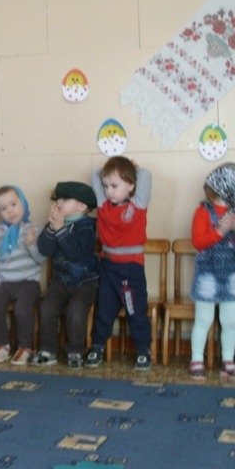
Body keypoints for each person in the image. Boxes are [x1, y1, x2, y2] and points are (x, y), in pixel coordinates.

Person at [187, 163, 235, 382]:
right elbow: (198, 242)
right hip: (207, 275)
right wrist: (221, 230)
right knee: (203, 319)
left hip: (232, 275)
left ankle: (228, 361)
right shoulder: (203, 212)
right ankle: (197, 359)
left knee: (230, 321)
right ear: (229, 189)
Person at [87, 157, 153, 370]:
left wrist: (134, 169)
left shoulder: (138, 204)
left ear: (131, 185)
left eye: (115, 186)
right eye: (106, 186)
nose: (109, 191)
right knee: (104, 309)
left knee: (136, 311)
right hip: (108, 267)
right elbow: (95, 175)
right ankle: (97, 347)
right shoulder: (103, 205)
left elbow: (146, 176)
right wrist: (110, 171)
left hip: (131, 269)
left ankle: (143, 350)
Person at [31, 181, 100, 368]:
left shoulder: (87, 227)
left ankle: (76, 351)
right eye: (57, 199)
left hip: (85, 283)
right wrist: (51, 228)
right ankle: (48, 350)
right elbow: (44, 249)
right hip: (61, 282)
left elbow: (75, 252)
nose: (58, 203)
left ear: (82, 206)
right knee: (47, 308)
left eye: (65, 199)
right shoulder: (56, 223)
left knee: (76, 311)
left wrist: (60, 229)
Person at [0, 185, 46, 366]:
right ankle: (3, 345)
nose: (10, 211)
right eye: (4, 208)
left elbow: (41, 259)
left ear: (23, 203)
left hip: (28, 282)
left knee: (22, 310)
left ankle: (25, 346)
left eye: (13, 204)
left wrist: (31, 244)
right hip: (5, 282)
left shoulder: (33, 229)